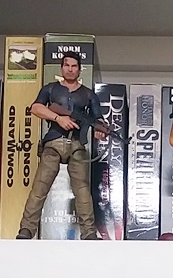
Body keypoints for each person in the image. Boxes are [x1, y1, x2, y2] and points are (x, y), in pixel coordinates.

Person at [16, 53, 106, 240]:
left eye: (74, 66)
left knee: (82, 190)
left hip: (77, 143)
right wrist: (58, 118)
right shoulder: (51, 89)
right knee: (40, 187)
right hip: (54, 141)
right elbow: (35, 108)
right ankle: (26, 229)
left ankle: (88, 232)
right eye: (67, 65)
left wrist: (101, 130)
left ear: (79, 70)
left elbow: (98, 119)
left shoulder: (88, 94)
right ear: (62, 68)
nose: (70, 69)